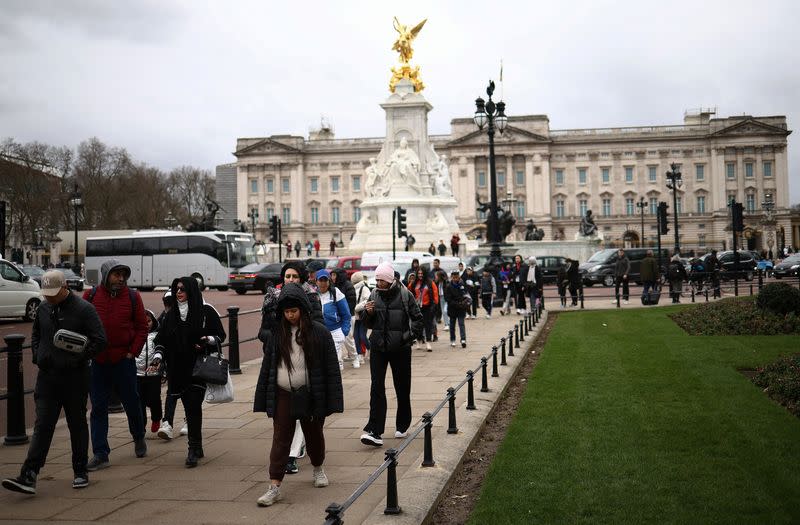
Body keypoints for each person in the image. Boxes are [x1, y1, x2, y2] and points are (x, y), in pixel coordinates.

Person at [2, 271, 106, 495]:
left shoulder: (84, 309)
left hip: (75, 378)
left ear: (65, 287)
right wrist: (38, 355)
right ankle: (29, 474)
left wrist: (78, 357)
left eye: (53, 294)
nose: (49, 298)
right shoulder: (43, 308)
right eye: (46, 294)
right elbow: (37, 334)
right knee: (43, 426)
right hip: (47, 377)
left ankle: (80, 471)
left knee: (77, 424)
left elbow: (100, 340)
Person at [253, 283, 344, 506]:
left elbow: (331, 368)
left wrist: (332, 399)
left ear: (302, 309)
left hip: (310, 393)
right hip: (284, 392)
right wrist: (264, 394)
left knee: (314, 435)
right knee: (280, 440)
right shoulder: (277, 333)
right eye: (287, 311)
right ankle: (274, 485)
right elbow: (268, 366)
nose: (291, 315)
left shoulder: (319, 332)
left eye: (294, 310)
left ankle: (318, 468)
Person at [258, 261, 323, 475]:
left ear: (301, 278)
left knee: (309, 423)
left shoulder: (311, 297)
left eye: (295, 276)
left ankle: (296, 456)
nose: (291, 280)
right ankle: (287, 460)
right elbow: (263, 331)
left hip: (305, 366)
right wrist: (278, 337)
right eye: (287, 276)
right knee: (283, 425)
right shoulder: (272, 299)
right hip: (280, 362)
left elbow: (319, 327)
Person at [153, 277, 226, 467]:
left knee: (193, 405)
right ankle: (198, 445)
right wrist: (158, 356)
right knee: (190, 407)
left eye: (183, 289)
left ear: (191, 291)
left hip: (198, 367)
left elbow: (220, 335)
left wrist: (207, 339)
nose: (178, 292)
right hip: (178, 368)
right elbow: (161, 338)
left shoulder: (205, 312)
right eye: (176, 289)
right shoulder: (171, 314)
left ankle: (192, 449)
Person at [83, 259, 148, 471]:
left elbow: (141, 327)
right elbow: (81, 325)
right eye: (116, 275)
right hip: (99, 361)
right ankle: (101, 453)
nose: (120, 279)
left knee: (132, 402)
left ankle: (138, 436)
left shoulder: (132, 296)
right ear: (105, 275)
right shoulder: (90, 296)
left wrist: (133, 352)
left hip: (123, 360)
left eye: (123, 275)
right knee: (98, 408)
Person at [360, 262, 423, 446]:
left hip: (400, 349)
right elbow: (368, 324)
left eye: (381, 280)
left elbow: (418, 319)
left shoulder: (405, 295)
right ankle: (374, 430)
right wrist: (368, 313)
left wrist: (407, 337)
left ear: (389, 280)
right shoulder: (374, 294)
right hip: (378, 348)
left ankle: (402, 424)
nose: (377, 283)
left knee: (402, 388)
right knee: (376, 387)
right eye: (376, 279)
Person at [315, 270, 351, 370]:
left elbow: (346, 315)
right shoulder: (313, 295)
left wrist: (344, 332)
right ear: (316, 281)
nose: (323, 283)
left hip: (335, 332)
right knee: (322, 363)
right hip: (319, 334)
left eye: (325, 280)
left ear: (329, 281)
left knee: (335, 363)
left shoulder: (336, 293)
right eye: (320, 280)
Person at [137, 310, 163, 439]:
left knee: (154, 398)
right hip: (137, 373)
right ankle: (141, 426)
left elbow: (161, 350)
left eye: (149, 321)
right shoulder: (136, 334)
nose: (146, 324)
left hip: (154, 373)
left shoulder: (157, 335)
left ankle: (156, 418)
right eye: (144, 322)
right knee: (139, 401)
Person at [330, 268, 358, 365]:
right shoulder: (332, 286)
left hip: (348, 316)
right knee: (336, 340)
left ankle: (355, 357)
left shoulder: (348, 286)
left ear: (339, 276)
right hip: (336, 317)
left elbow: (351, 302)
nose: (332, 277)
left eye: (334, 275)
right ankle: (339, 362)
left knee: (348, 338)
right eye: (332, 275)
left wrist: (344, 314)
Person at [408, 267, 438, 351]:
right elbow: (408, 292)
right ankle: (419, 340)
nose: (420, 275)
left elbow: (435, 293)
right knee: (418, 325)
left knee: (428, 325)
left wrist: (435, 304)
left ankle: (428, 342)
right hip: (417, 308)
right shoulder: (414, 283)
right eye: (419, 273)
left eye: (422, 273)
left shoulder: (430, 283)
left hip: (427, 307)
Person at [351, 271, 372, 367]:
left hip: (362, 316)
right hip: (355, 317)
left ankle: (370, 348)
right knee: (356, 337)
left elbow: (367, 301)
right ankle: (360, 355)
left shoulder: (364, 288)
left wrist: (356, 308)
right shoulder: (352, 289)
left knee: (362, 336)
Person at [444, 270, 469, 348]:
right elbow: (447, 299)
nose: (455, 278)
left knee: (461, 324)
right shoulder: (448, 286)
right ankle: (453, 339)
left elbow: (466, 294)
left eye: (457, 276)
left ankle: (463, 339)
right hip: (453, 309)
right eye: (454, 277)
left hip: (461, 308)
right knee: (452, 325)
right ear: (452, 277)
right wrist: (457, 304)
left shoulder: (462, 284)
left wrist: (464, 302)